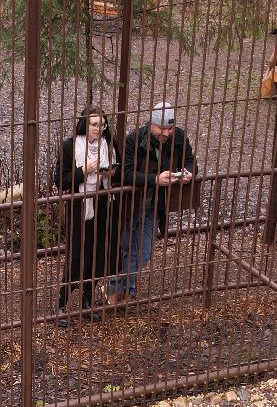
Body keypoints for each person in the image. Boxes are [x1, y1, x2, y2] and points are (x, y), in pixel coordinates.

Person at [108, 101, 197, 307]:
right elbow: (125, 173)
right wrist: (155, 179)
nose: (166, 133)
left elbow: (190, 160)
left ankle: (115, 285)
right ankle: (125, 292)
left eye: (169, 128)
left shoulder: (179, 138)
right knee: (127, 248)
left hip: (154, 205)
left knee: (144, 252)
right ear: (152, 124)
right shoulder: (135, 140)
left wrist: (188, 172)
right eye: (162, 128)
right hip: (131, 204)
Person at [52, 106, 116, 327]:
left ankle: (87, 301)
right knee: (77, 255)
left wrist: (109, 173)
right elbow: (60, 180)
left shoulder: (107, 145)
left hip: (100, 204)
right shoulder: (70, 146)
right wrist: (84, 171)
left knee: (97, 252)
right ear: (84, 125)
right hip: (79, 205)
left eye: (102, 125)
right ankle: (61, 302)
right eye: (94, 124)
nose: (99, 129)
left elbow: (112, 176)